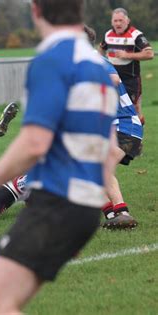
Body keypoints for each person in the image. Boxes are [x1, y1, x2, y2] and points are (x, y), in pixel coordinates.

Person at [0, 0, 118, 313]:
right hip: (84, 204)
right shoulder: (96, 66)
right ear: (80, 12)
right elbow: (109, 145)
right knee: (1, 303)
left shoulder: (53, 59)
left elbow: (34, 143)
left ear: (35, 10)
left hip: (58, 202)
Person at [86, 25, 143, 229]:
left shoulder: (94, 60)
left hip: (126, 125)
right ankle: (112, 216)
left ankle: (122, 212)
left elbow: (114, 79)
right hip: (115, 127)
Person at [98, 8, 154, 124]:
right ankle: (120, 137)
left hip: (131, 79)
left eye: (121, 20)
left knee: (135, 110)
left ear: (127, 21)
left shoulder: (136, 35)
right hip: (113, 79)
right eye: (115, 20)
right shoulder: (108, 35)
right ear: (111, 21)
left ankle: (138, 139)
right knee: (112, 108)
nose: (118, 23)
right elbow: (101, 50)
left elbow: (149, 54)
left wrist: (127, 55)